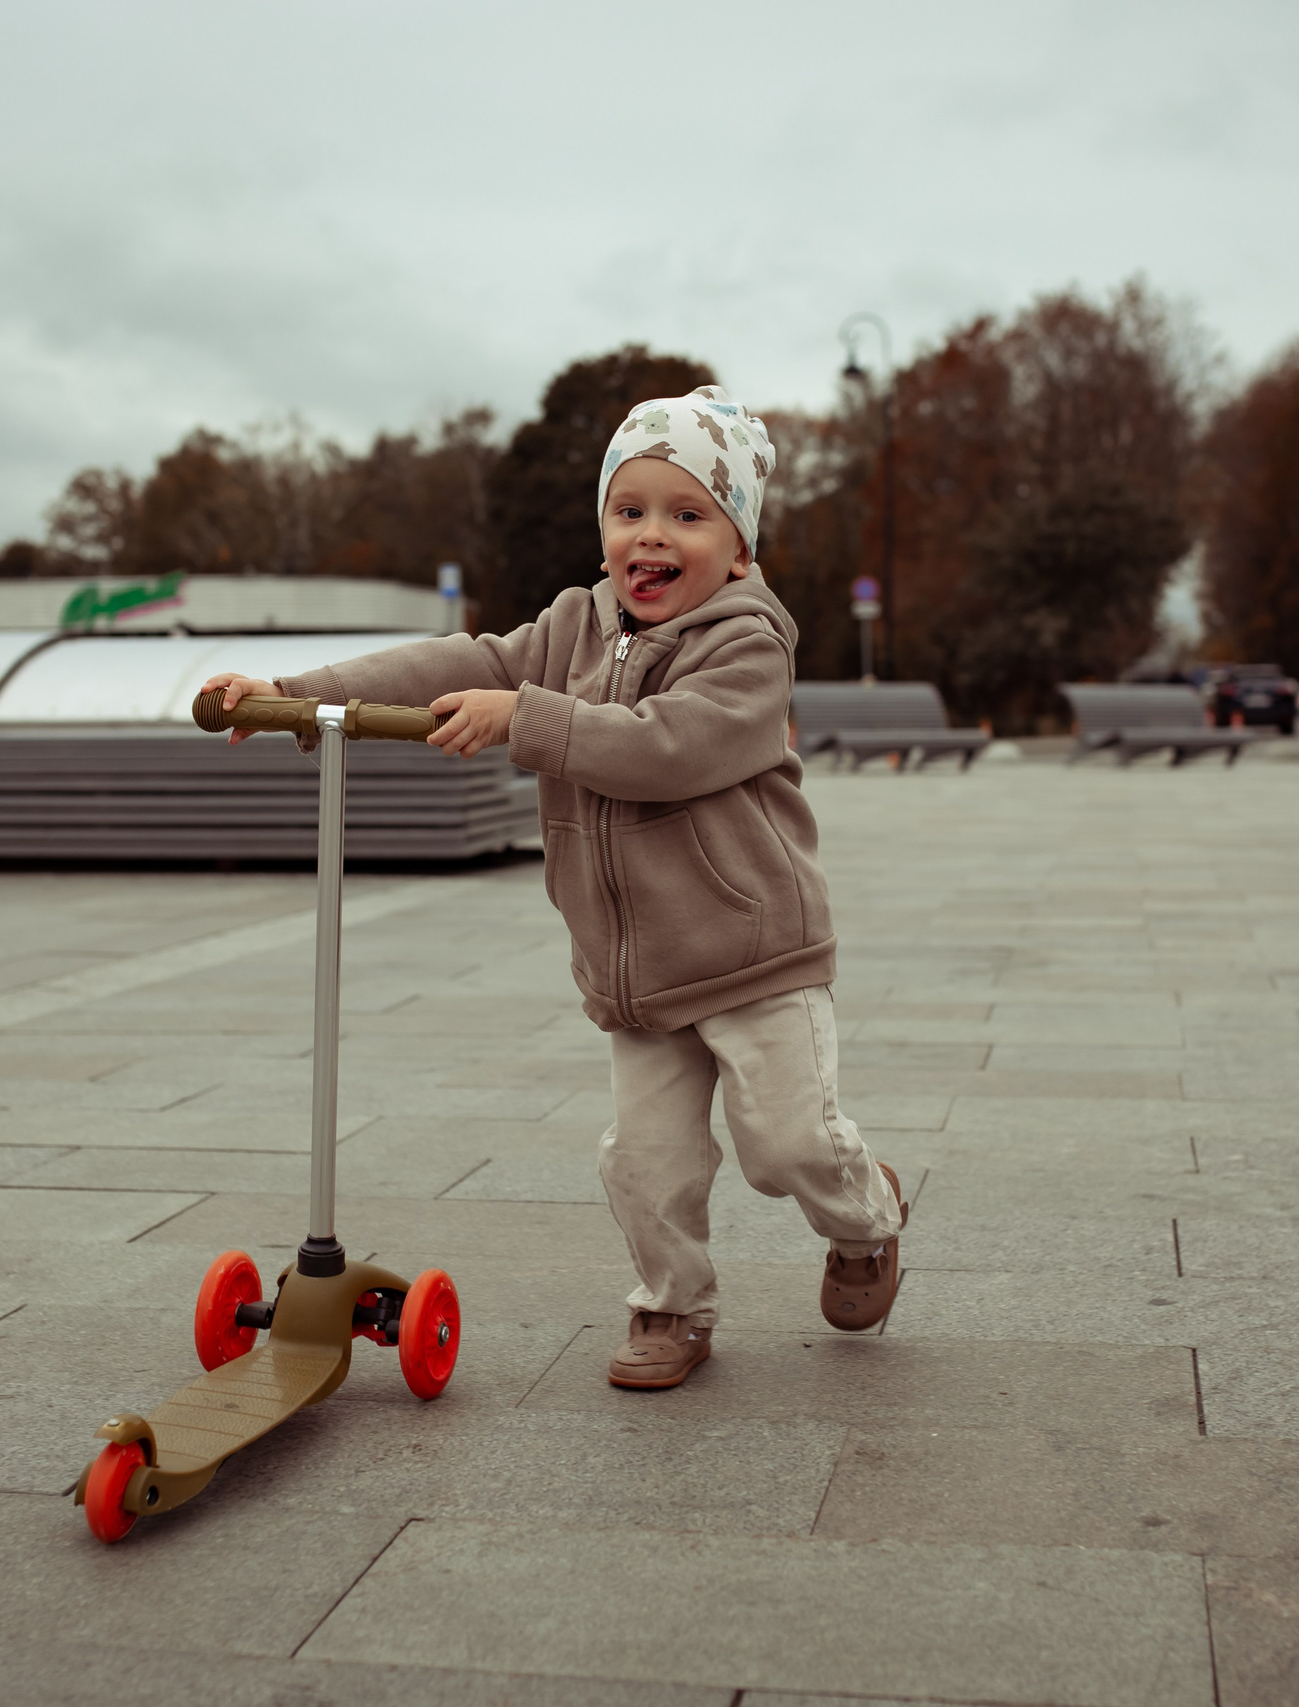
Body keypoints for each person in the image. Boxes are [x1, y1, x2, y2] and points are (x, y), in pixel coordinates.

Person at [201, 384, 906, 1389]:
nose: (650, 538)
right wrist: (301, 695)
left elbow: (669, 748)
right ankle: (673, 1307)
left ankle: (865, 1216)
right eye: (630, 512)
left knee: (785, 1144)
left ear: (739, 548)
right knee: (644, 1165)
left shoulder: (748, 644)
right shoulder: (574, 628)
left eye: (687, 515)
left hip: (754, 954)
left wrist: (523, 720)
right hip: (640, 971)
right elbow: (458, 658)